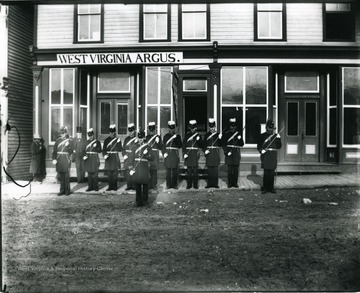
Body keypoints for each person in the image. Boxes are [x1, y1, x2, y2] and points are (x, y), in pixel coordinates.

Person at [257, 118, 282, 194]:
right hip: (266, 155)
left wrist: (278, 139)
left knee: (271, 172)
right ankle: (265, 188)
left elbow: (279, 146)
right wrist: (261, 150)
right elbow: (259, 146)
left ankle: (271, 188)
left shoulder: (275, 136)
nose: (270, 130)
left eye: (272, 128)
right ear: (266, 128)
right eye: (269, 128)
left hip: (273, 155)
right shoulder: (262, 136)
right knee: (266, 172)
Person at [130, 129, 154, 207]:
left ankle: (145, 201)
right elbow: (132, 158)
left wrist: (147, 154)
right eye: (139, 138)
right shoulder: (135, 146)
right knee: (138, 185)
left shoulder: (148, 147)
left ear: (144, 138)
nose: (140, 140)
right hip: (137, 168)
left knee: (145, 184)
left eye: (141, 138)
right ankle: (138, 201)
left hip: (144, 167)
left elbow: (152, 158)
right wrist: (131, 166)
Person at [222, 118, 244, 188]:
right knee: (230, 169)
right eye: (231, 126)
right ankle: (230, 183)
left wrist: (240, 139)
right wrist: (226, 151)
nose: (233, 128)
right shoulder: (226, 134)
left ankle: (235, 183)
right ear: (229, 126)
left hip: (236, 153)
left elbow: (242, 144)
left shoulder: (238, 134)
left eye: (234, 126)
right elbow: (224, 144)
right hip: (229, 153)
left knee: (235, 169)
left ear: (236, 127)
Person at [52, 126, 73, 195]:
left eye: (63, 133)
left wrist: (68, 146)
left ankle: (67, 190)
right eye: (61, 134)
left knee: (66, 176)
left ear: (66, 133)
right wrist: (54, 159)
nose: (62, 135)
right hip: (59, 159)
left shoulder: (69, 141)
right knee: (60, 176)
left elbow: (71, 151)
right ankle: (62, 190)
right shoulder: (58, 141)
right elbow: (54, 151)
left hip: (66, 159)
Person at [162, 121, 182, 189]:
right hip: (168, 154)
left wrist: (176, 138)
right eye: (170, 128)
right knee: (168, 170)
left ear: (174, 128)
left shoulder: (177, 136)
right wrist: (164, 153)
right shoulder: (166, 136)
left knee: (174, 170)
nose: (171, 130)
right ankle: (168, 185)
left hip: (174, 154)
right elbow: (163, 146)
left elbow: (180, 145)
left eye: (173, 128)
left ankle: (174, 185)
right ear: (168, 128)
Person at [183, 120, 203, 189]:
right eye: (191, 128)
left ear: (195, 128)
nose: (192, 129)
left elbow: (201, 145)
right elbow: (184, 146)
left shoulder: (198, 135)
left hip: (195, 154)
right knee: (188, 171)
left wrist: (199, 140)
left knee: (195, 171)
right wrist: (184, 153)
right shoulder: (187, 135)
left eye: (193, 128)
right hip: (188, 154)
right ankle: (189, 185)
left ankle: (195, 185)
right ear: (189, 128)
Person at [103, 124, 122, 191]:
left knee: (115, 174)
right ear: (109, 132)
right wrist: (104, 155)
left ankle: (115, 187)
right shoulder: (106, 140)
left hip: (115, 157)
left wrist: (119, 143)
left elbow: (120, 149)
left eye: (113, 132)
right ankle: (110, 186)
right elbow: (104, 150)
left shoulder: (117, 140)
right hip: (108, 158)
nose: (112, 134)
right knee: (109, 174)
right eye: (111, 132)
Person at [203, 118, 222, 188]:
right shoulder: (206, 135)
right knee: (209, 169)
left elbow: (220, 144)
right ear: (209, 127)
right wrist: (205, 150)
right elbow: (204, 145)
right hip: (209, 153)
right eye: (211, 127)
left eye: (213, 127)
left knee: (215, 169)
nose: (212, 129)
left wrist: (220, 139)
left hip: (215, 153)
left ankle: (215, 184)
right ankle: (209, 184)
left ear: (215, 127)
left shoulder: (218, 134)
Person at [145, 122, 163, 190]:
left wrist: (158, 142)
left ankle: (154, 185)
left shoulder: (158, 137)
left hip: (155, 155)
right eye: (150, 130)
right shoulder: (146, 137)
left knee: (154, 170)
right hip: (148, 154)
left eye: (153, 130)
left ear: (155, 129)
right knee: (148, 170)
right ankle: (149, 185)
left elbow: (161, 147)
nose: (151, 131)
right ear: (149, 130)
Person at [122, 123, 137, 191]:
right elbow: (123, 149)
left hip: (133, 156)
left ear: (134, 131)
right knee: (128, 172)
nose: (131, 132)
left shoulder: (136, 139)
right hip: (128, 157)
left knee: (133, 171)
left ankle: (134, 185)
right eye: (130, 131)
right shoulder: (126, 139)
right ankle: (129, 185)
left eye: (132, 131)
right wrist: (124, 154)